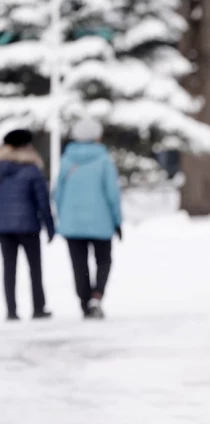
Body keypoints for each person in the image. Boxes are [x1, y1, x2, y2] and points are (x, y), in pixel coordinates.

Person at [54, 118, 122, 319]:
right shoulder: (104, 160)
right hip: (100, 222)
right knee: (103, 260)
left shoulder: (66, 161)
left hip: (72, 223)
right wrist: (117, 221)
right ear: (97, 137)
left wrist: (63, 215)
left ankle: (84, 302)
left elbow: (58, 194)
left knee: (79, 264)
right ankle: (97, 295)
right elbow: (112, 194)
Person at [0, 129, 54, 321]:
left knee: (9, 268)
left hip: (4, 227)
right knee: (34, 268)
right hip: (29, 226)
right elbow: (42, 201)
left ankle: (11, 310)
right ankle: (38, 308)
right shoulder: (32, 169)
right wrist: (50, 225)